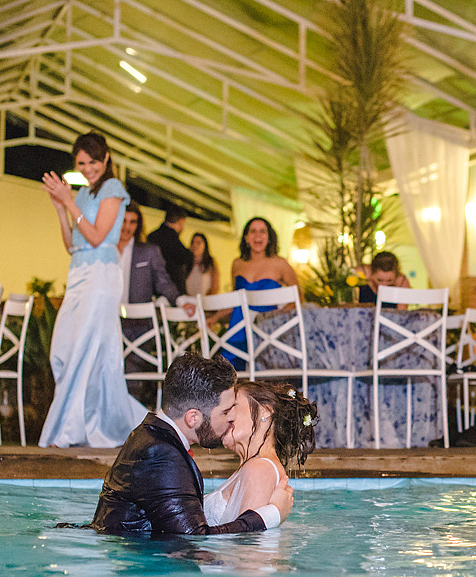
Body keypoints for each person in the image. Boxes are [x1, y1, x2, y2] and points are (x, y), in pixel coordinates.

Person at [93, 352, 293, 535]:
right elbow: (192, 540)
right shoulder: (162, 454)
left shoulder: (150, 436)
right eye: (225, 412)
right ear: (193, 418)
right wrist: (272, 514)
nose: (230, 418)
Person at [39, 131, 146, 448]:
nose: (87, 168)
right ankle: (93, 422)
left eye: (92, 161)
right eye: (82, 163)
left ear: (106, 158)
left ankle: (69, 432)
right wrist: (61, 206)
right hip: (78, 275)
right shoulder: (83, 194)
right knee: (63, 350)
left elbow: (99, 236)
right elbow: (73, 244)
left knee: (85, 351)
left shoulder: (113, 190)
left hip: (101, 276)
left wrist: (70, 202)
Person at [204, 381, 317, 526]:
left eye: (232, 406)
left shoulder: (259, 469)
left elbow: (248, 544)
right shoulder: (256, 466)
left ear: (265, 410)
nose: (225, 416)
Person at [117, 201, 181, 402]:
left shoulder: (148, 251)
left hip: (137, 326)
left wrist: (180, 299)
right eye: (123, 221)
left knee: (134, 381)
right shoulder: (103, 250)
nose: (127, 227)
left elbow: (163, 281)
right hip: (107, 322)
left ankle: (132, 428)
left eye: (133, 222)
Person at [221, 217, 301, 371]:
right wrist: (214, 318)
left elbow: (298, 297)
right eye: (253, 231)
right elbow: (234, 301)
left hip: (269, 330)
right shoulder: (237, 264)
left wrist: (281, 316)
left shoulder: (280, 263)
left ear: (269, 237)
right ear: (246, 238)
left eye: (262, 231)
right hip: (239, 326)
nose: (258, 236)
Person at [146, 206, 194, 295]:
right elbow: (187, 258)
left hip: (152, 289)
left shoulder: (151, 237)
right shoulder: (173, 240)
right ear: (181, 222)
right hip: (173, 291)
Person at [185, 232, 219, 297]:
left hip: (206, 301)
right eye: (192, 243)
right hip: (188, 301)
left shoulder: (211, 262)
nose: (195, 246)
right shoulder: (186, 262)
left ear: (204, 245)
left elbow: (215, 286)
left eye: (198, 243)